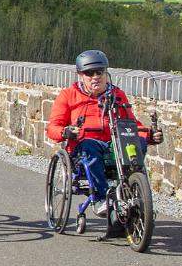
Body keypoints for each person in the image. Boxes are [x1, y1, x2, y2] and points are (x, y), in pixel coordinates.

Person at [46, 49, 161, 233]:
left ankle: (137, 195)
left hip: (114, 144)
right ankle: (100, 199)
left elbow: (130, 124)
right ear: (80, 75)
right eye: (89, 73)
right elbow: (52, 128)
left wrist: (148, 135)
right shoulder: (68, 96)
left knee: (137, 142)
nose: (95, 77)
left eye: (99, 72)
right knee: (90, 147)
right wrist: (66, 131)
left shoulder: (117, 95)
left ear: (106, 73)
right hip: (85, 145)